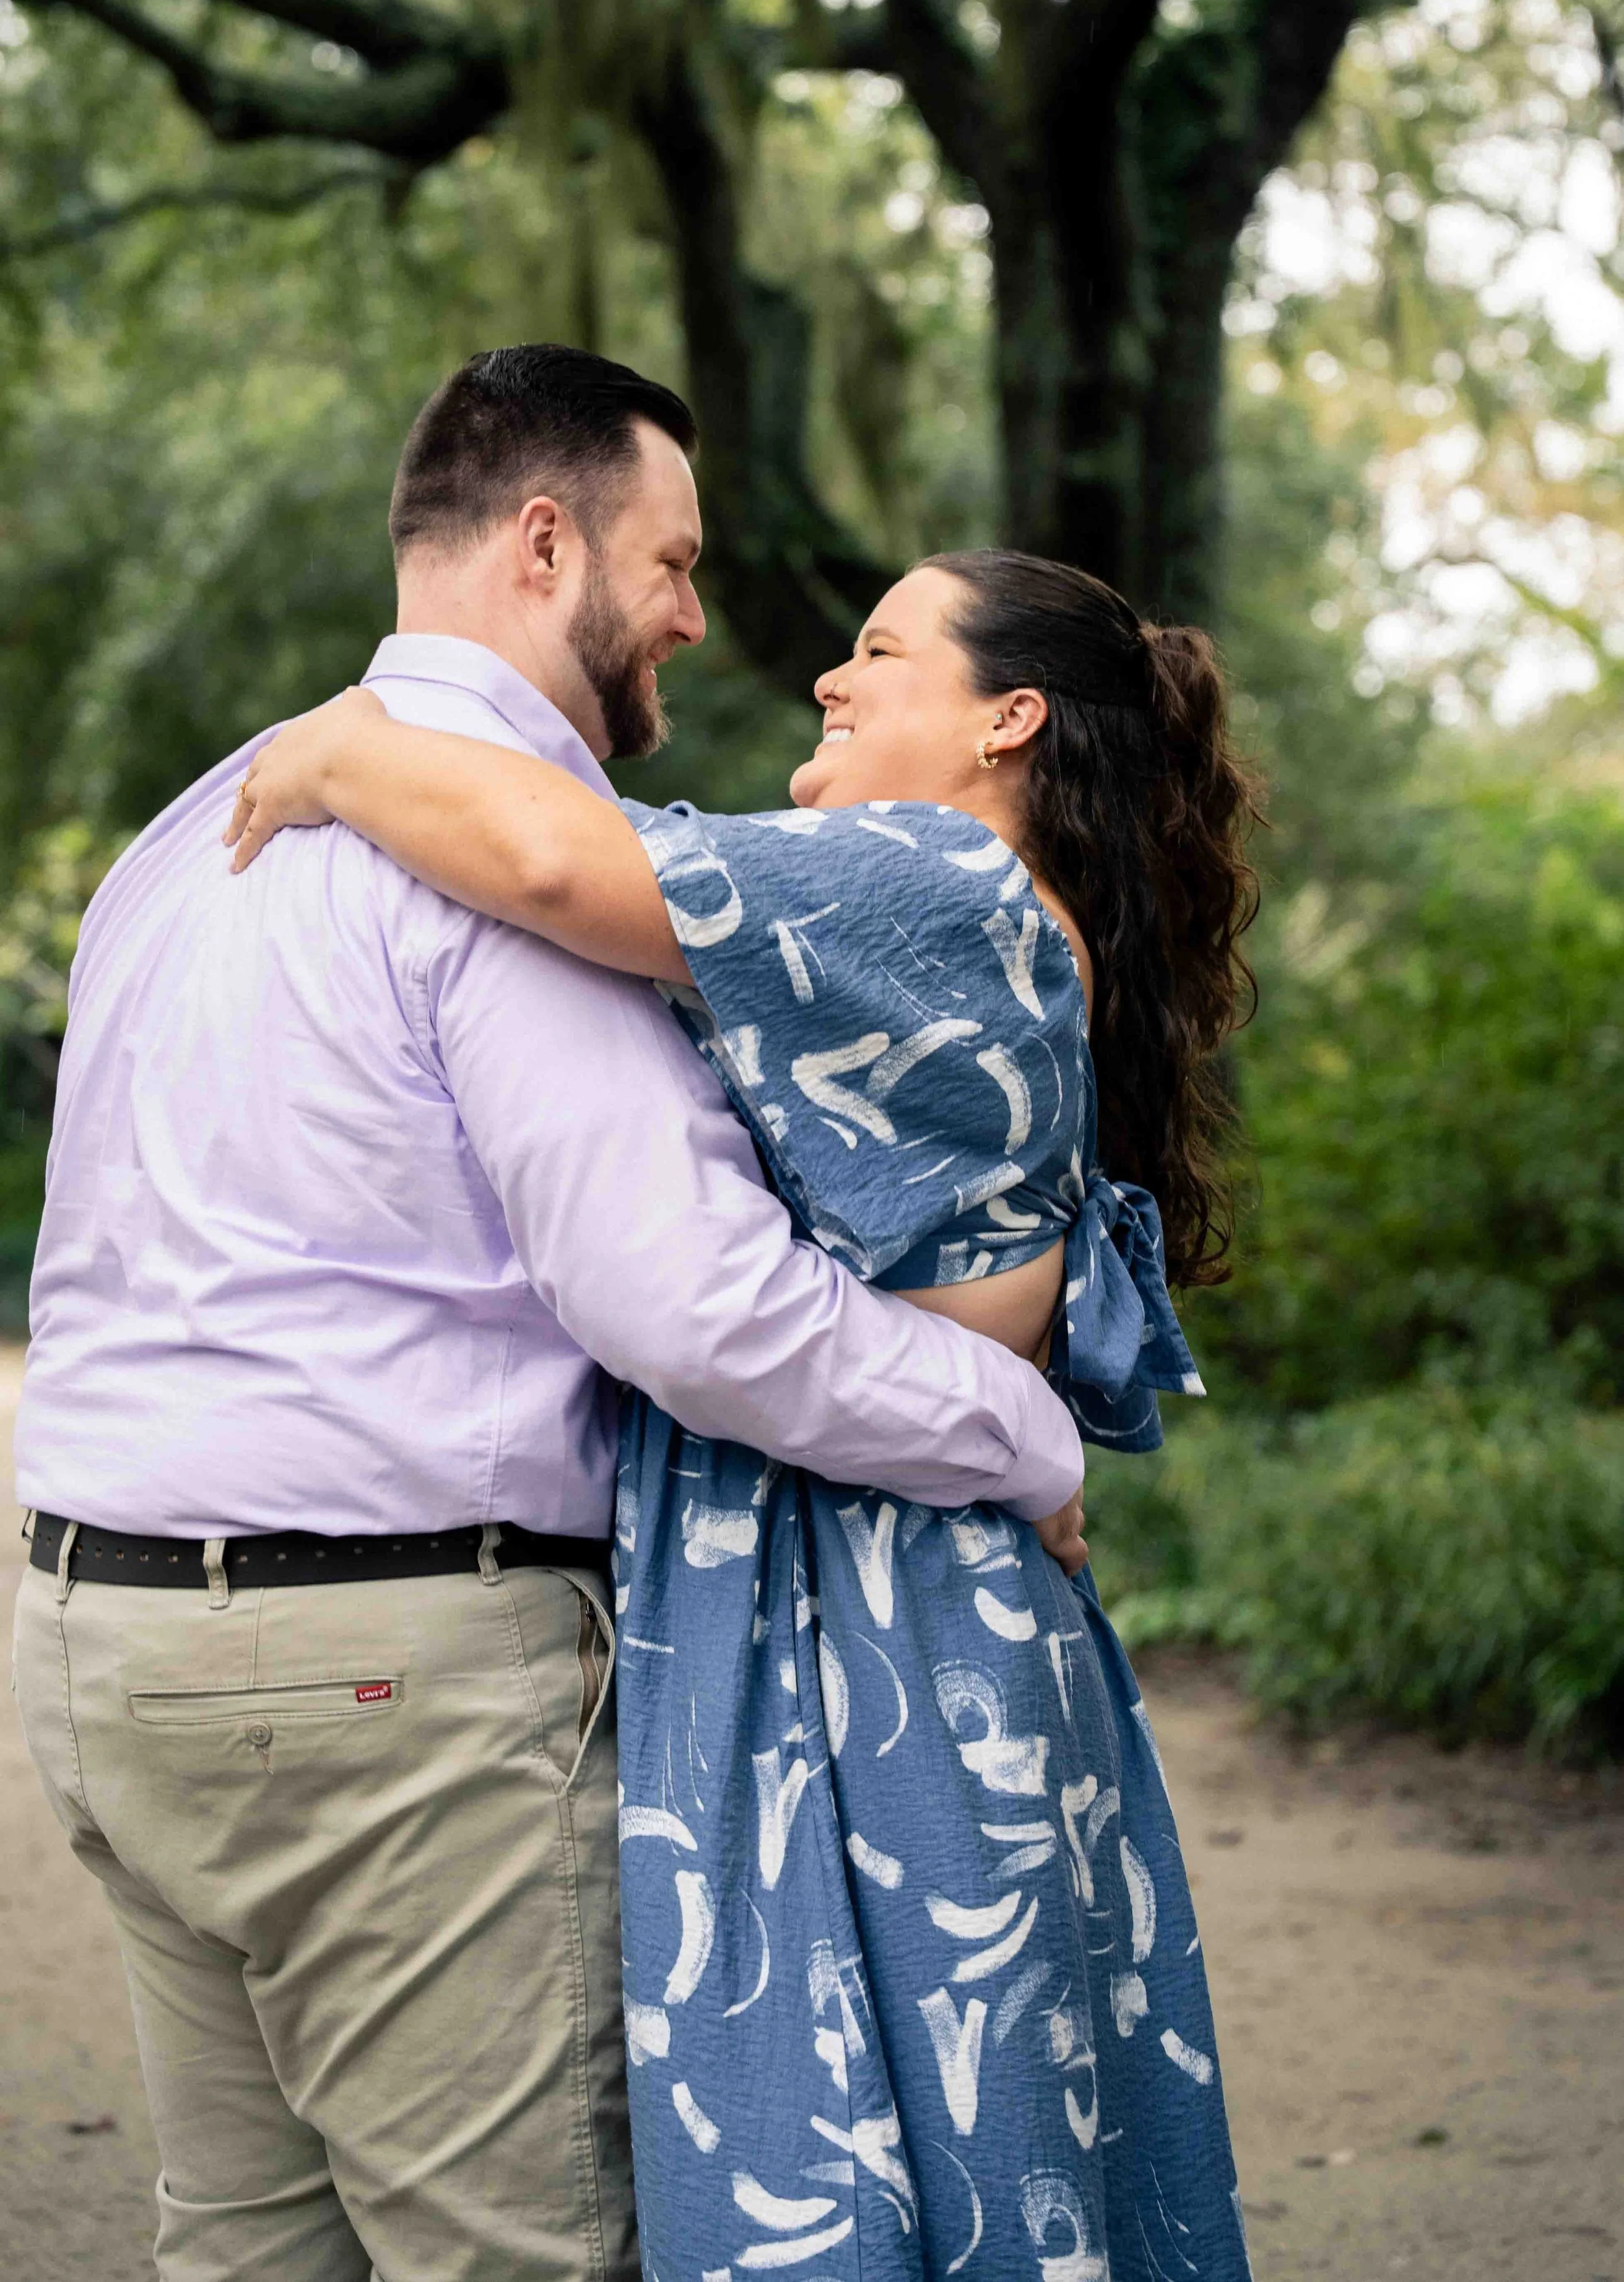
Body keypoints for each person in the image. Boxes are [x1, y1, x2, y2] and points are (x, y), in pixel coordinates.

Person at [11, 344, 1088, 2282]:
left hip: (102, 1650)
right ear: (542, 541)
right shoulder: (501, 848)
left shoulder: (183, 843)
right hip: (384, 1692)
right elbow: (693, 1310)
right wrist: (1025, 1434)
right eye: (670, 564)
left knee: (246, 2252)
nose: (693, 614)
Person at [231, 534, 1262, 2278]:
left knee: (856, 2146)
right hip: (877, 1600)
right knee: (937, 2147)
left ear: (1009, 722)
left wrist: (334, 751)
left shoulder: (936, 881)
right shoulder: (949, 923)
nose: (829, 681)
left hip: (885, 1631)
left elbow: (560, 864)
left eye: (879, 653)